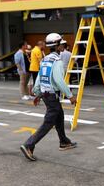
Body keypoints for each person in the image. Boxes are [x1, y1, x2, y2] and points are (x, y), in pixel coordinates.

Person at [20, 33, 77, 161]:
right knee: (48, 122)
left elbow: (40, 79)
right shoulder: (57, 61)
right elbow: (59, 81)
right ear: (57, 46)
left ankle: (64, 141)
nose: (63, 45)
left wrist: (38, 93)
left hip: (47, 95)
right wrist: (70, 96)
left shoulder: (45, 60)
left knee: (59, 116)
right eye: (61, 43)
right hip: (52, 96)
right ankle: (29, 145)